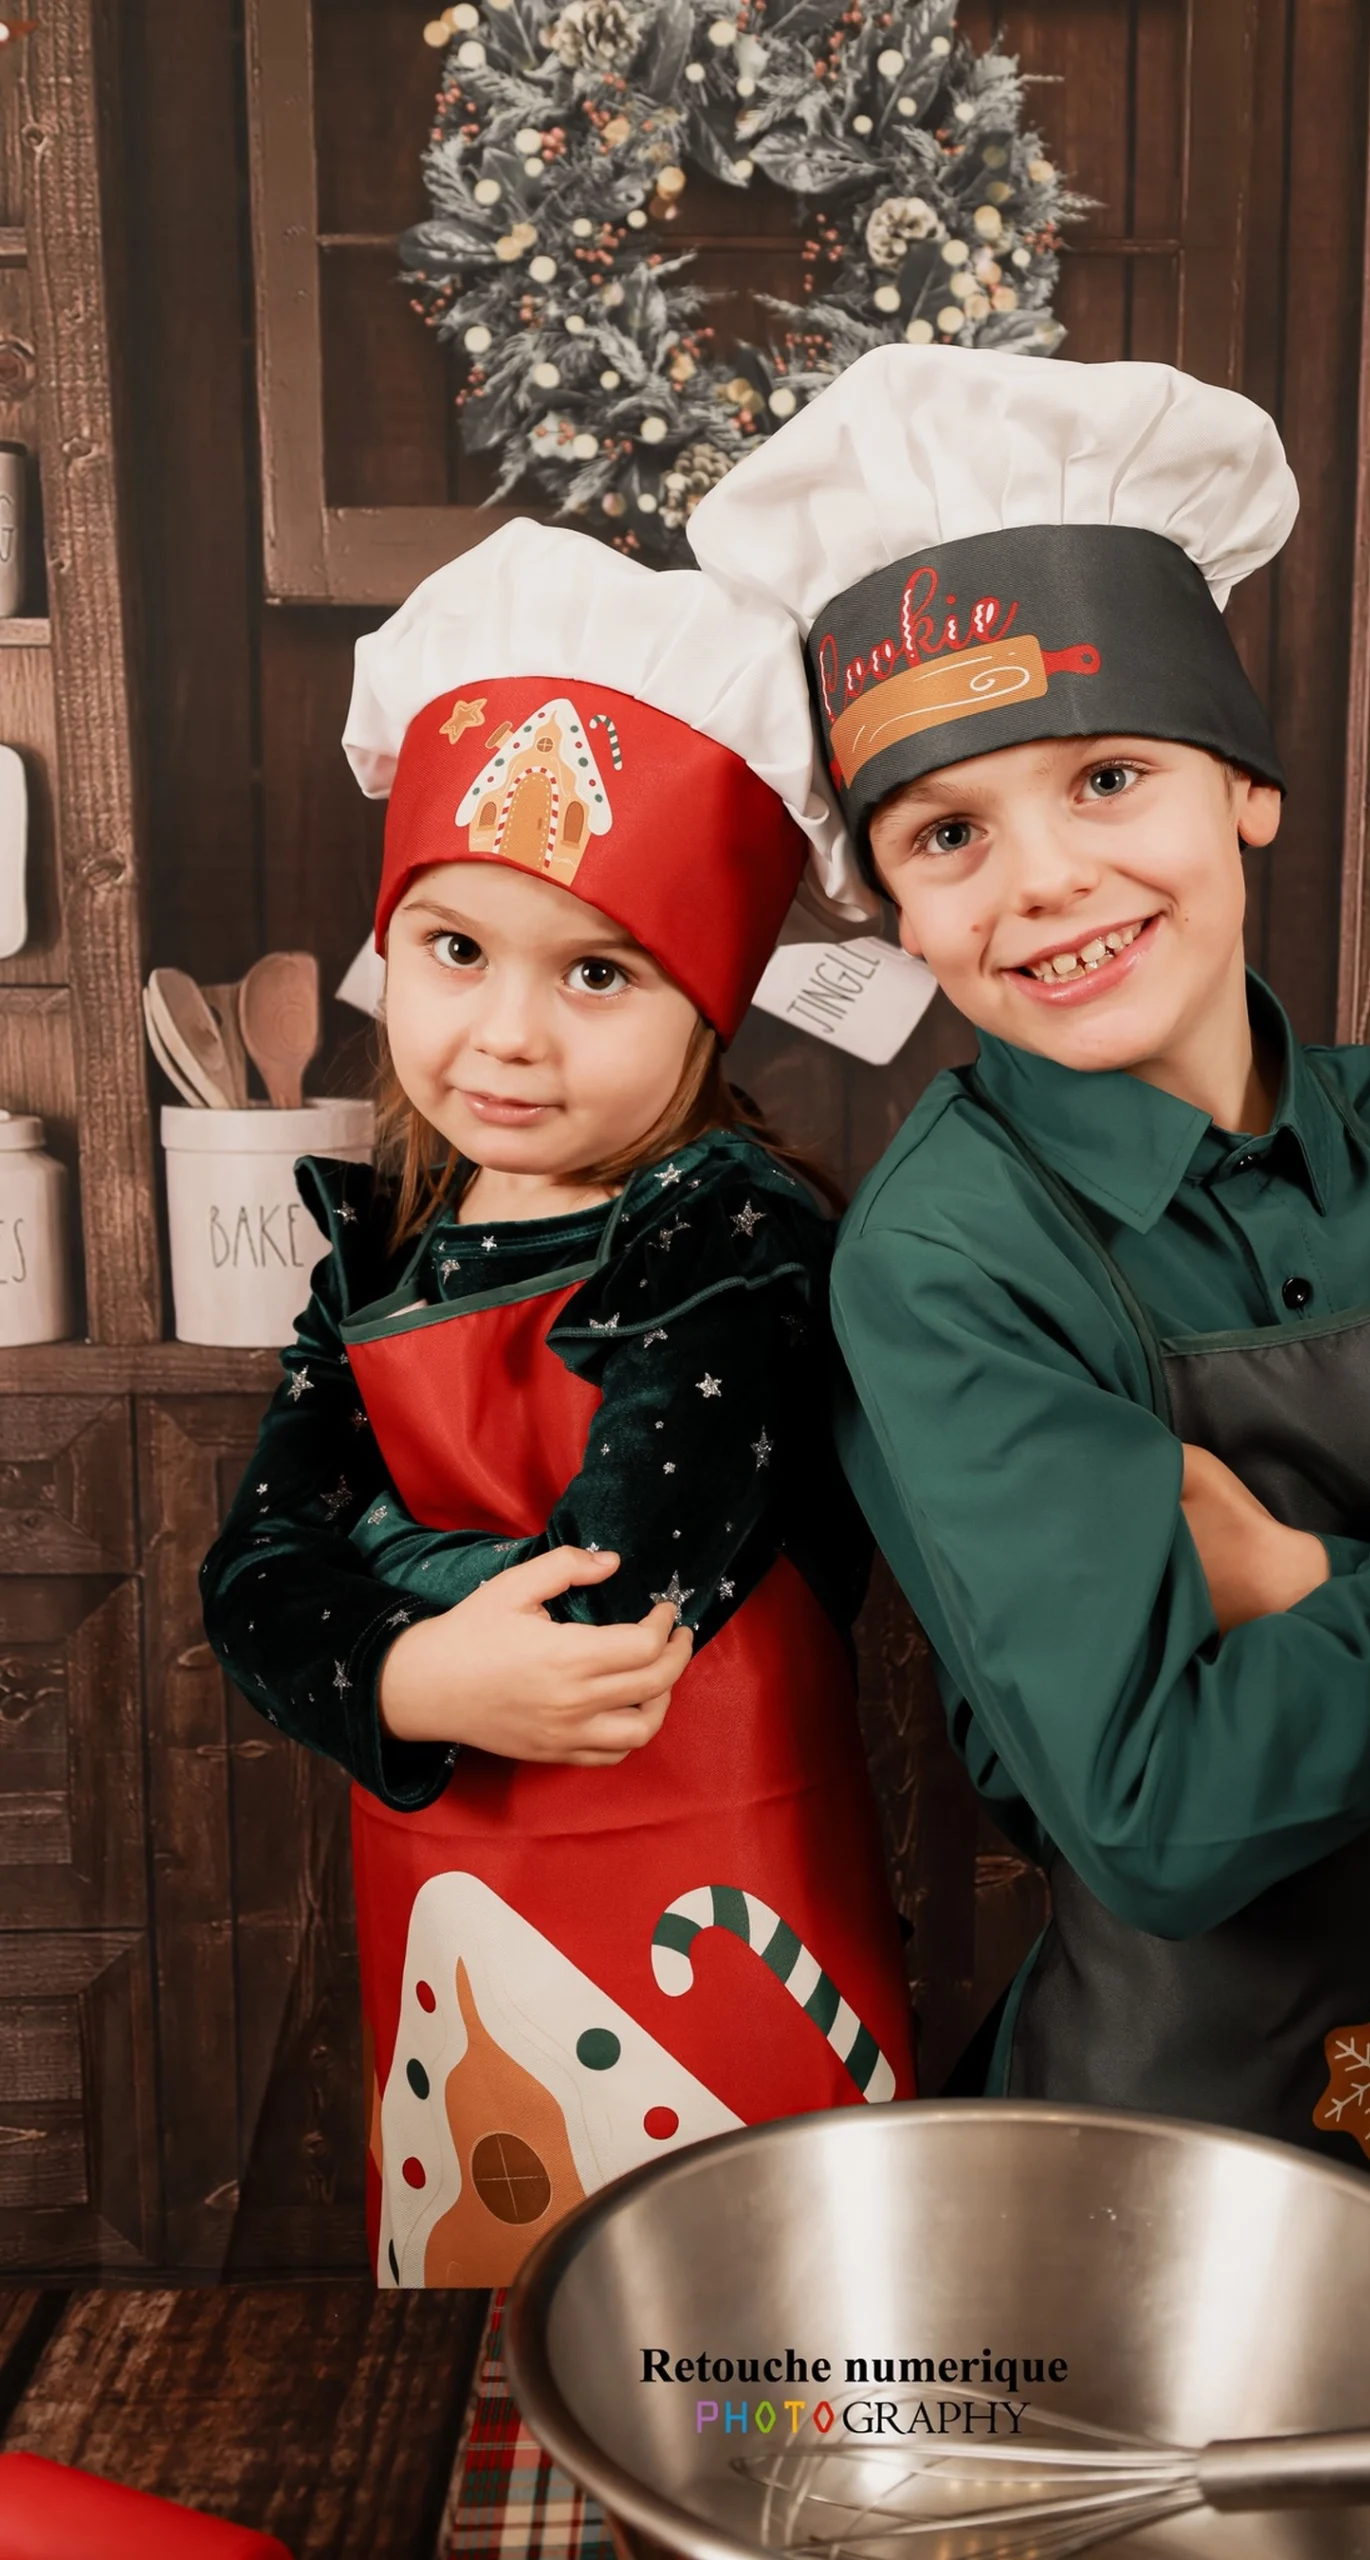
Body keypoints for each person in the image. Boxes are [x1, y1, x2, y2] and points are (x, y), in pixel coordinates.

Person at [688, 346, 1370, 2277]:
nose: (1046, 879)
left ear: (1243, 784)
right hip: (1178, 2166)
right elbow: (1161, 1819)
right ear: (886, 904)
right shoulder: (946, 1262)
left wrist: (1306, 1594)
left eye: (1106, 776)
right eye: (946, 833)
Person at [200, 521, 914, 2303]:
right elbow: (247, 1574)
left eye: (596, 973)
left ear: (707, 1001)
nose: (506, 1034)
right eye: (456, 950)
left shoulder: (729, 1239)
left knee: (749, 2325)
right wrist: (407, 1680)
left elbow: (612, 1600)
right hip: (449, 1893)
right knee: (494, 2294)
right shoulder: (385, 1243)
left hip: (716, 1879)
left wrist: (366, 1594)